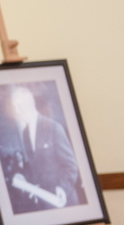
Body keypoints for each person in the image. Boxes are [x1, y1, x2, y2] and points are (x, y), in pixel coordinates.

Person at [8, 85, 84, 213]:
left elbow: (71, 165)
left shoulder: (54, 128)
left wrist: (63, 188)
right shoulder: (25, 133)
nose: (15, 110)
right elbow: (34, 165)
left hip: (63, 202)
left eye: (17, 105)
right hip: (44, 203)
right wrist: (22, 176)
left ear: (27, 104)